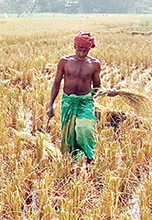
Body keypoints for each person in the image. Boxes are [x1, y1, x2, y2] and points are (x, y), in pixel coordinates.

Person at [47, 31, 117, 164]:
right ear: (74, 46)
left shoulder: (94, 64)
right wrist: (51, 105)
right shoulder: (64, 61)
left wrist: (108, 92)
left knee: (84, 127)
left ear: (89, 49)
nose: (81, 53)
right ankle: (73, 159)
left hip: (85, 101)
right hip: (68, 101)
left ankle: (90, 157)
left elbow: (97, 87)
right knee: (69, 134)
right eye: (79, 49)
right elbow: (56, 83)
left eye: (84, 50)